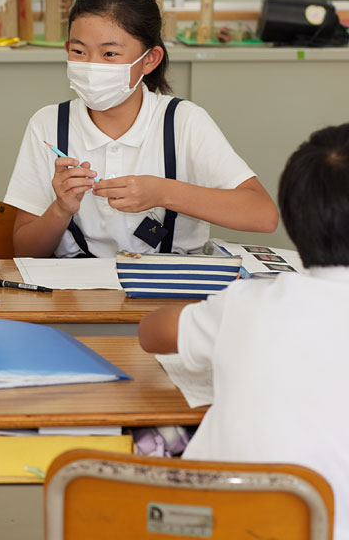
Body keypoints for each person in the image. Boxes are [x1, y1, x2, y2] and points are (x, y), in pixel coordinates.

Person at [139, 122, 349, 539]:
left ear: (294, 220)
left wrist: (224, 313)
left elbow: (151, 332)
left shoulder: (247, 304)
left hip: (223, 523)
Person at [4, 0, 278, 258]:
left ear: (150, 59)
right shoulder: (49, 125)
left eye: (110, 53)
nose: (92, 66)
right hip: (77, 285)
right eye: (79, 51)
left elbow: (263, 215)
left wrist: (163, 193)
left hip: (171, 282)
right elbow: (25, 251)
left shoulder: (183, 121)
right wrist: (61, 209)